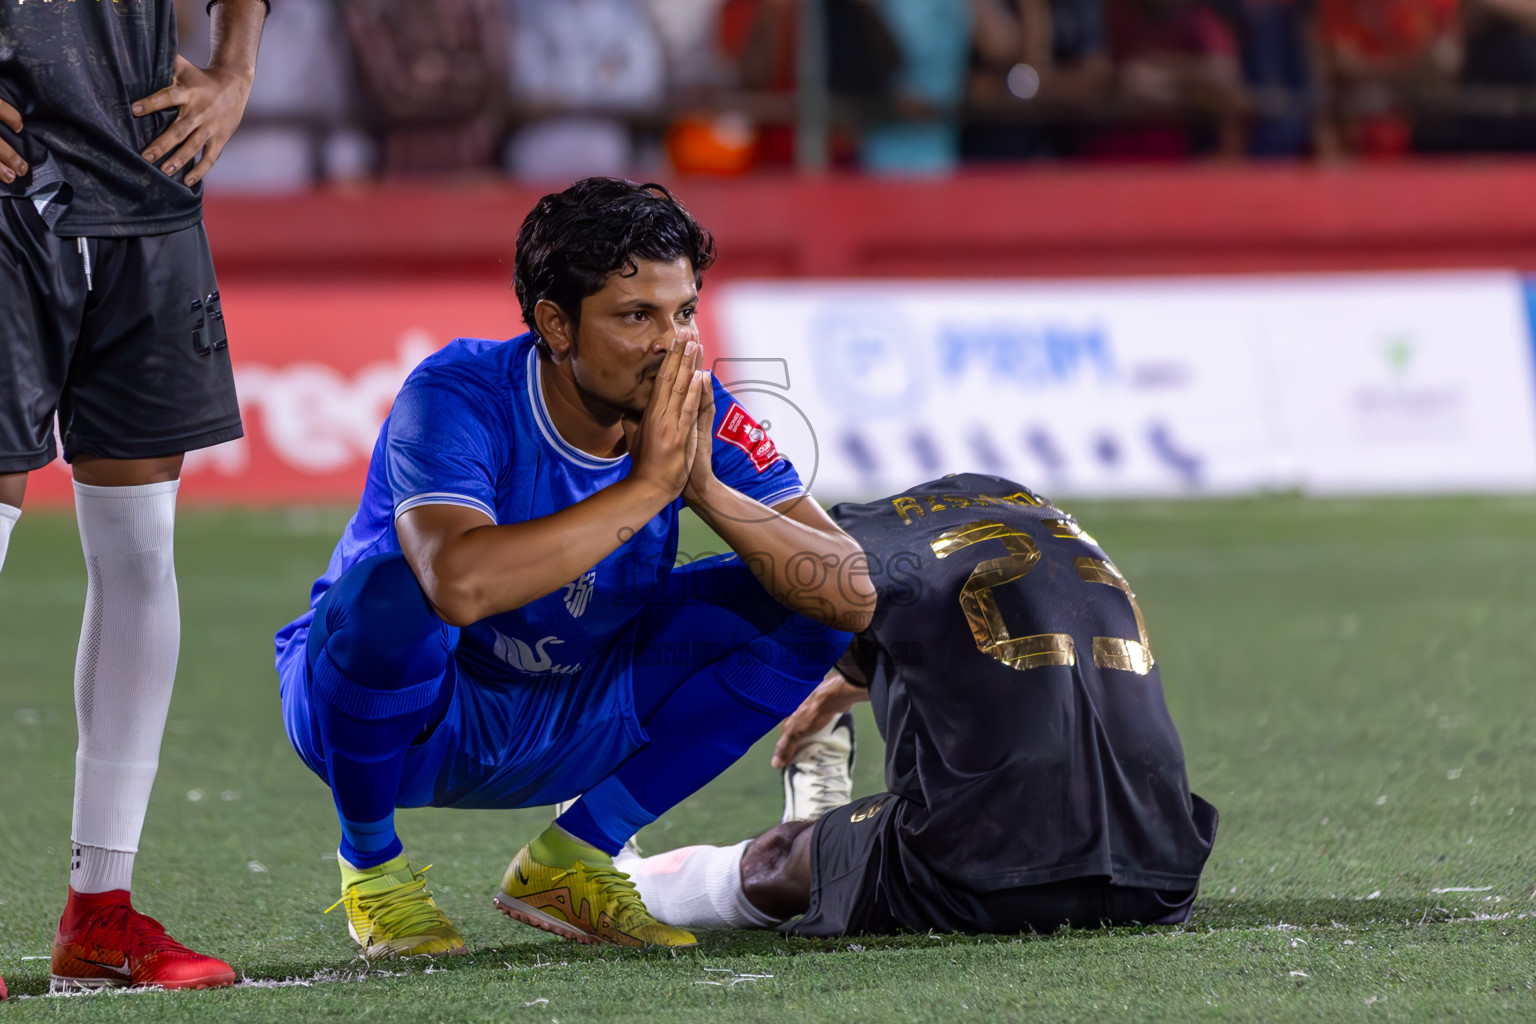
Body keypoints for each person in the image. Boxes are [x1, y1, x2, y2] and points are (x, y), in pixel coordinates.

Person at [273, 178, 873, 957]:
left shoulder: (697, 403)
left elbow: (852, 590)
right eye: (636, 317)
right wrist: (650, 486)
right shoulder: (456, 393)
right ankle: (373, 869)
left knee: (805, 598)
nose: (672, 343)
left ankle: (577, 855)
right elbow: (457, 585)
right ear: (557, 325)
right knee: (389, 600)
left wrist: (707, 490)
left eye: (684, 312)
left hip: (571, 711)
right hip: (414, 718)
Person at [618, 474, 1217, 937]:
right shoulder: (1054, 531)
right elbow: (1013, 635)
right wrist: (849, 683)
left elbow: (798, 610)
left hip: (989, 875)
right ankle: (827, 827)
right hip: (1161, 874)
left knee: (778, 860)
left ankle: (624, 885)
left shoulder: (856, 546)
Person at [0, 0, 268, 996]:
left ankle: (99, 912)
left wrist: (236, 69)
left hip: (150, 182)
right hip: (11, 183)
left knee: (141, 548)